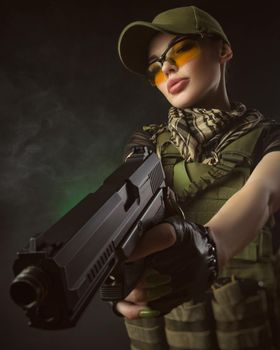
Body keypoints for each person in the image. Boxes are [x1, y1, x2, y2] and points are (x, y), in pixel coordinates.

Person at [114, 6, 280, 350]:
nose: (168, 68)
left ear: (223, 49)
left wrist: (208, 245)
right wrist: (122, 277)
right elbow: (122, 209)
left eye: (180, 50)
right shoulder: (147, 146)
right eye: (155, 68)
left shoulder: (269, 138)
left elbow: (265, 192)